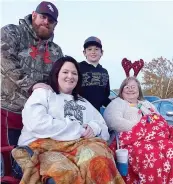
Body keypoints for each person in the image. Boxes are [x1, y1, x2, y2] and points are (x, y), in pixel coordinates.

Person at [12, 56, 125, 184]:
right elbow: (36, 123)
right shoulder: (43, 93)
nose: (70, 76)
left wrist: (94, 127)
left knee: (99, 160)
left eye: (74, 73)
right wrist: (79, 130)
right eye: (65, 72)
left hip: (78, 149)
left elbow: (103, 127)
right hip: (42, 147)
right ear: (57, 74)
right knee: (66, 173)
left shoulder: (83, 102)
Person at [103, 76, 173, 184]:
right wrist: (141, 129)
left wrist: (155, 129)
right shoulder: (117, 103)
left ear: (138, 89)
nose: (130, 89)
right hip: (132, 141)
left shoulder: (146, 104)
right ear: (121, 90)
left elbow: (159, 119)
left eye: (133, 87)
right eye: (127, 87)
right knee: (152, 155)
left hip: (156, 139)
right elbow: (113, 120)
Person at [1, 1, 63, 145]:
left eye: (51, 20)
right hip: (10, 111)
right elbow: (4, 60)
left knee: (33, 162)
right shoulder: (12, 32)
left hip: (41, 117)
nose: (46, 22)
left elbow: (59, 79)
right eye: (43, 17)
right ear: (34, 15)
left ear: (55, 24)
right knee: (8, 158)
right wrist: (32, 85)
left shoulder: (56, 50)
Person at [79, 36, 111, 111]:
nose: (93, 52)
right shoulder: (77, 68)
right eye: (89, 49)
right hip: (80, 109)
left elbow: (105, 96)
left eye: (96, 49)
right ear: (84, 52)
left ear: (101, 52)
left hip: (96, 112)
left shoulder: (104, 72)